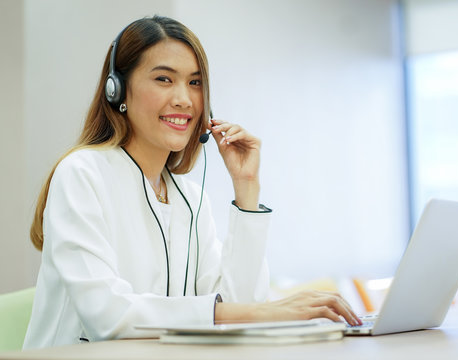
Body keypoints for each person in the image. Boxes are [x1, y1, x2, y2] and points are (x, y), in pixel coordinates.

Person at [23, 15, 360, 349]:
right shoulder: (82, 173)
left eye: (195, 83)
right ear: (118, 90)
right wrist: (263, 311)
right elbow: (108, 316)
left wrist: (246, 189)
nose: (184, 99)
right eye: (164, 79)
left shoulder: (189, 197)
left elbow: (239, 304)